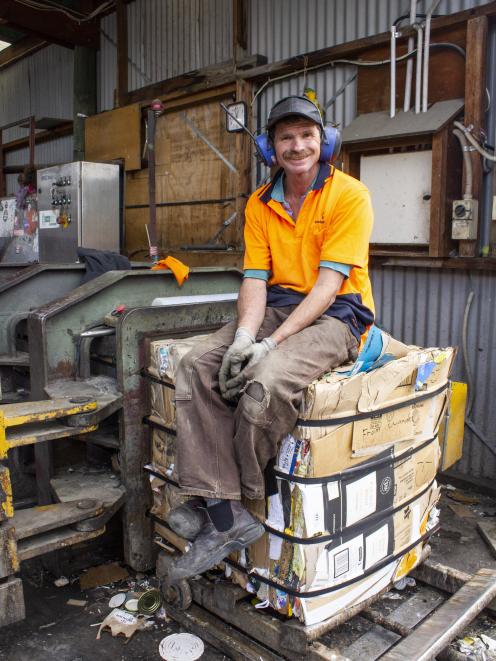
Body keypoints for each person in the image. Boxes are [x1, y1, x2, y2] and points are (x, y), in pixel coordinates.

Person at [167, 95, 375, 583]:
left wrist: (268, 345)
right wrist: (243, 336)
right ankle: (227, 515)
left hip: (337, 313)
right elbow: (256, 281)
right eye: (286, 137)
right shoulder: (260, 203)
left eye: (307, 135)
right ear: (269, 146)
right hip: (276, 303)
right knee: (197, 364)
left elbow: (328, 285)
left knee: (266, 382)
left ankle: (224, 509)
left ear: (324, 142)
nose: (297, 146)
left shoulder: (348, 195)